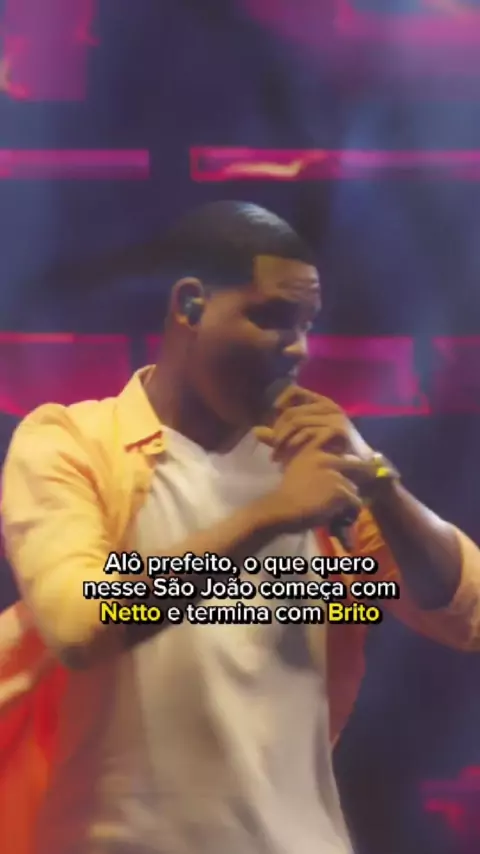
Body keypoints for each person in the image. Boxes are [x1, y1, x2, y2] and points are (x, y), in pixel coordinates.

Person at [1, 201, 480, 854]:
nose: (298, 348)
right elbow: (80, 623)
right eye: (272, 318)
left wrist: (379, 481)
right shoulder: (72, 442)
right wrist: (271, 515)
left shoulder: (319, 466)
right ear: (190, 305)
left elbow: (466, 614)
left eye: (306, 324)